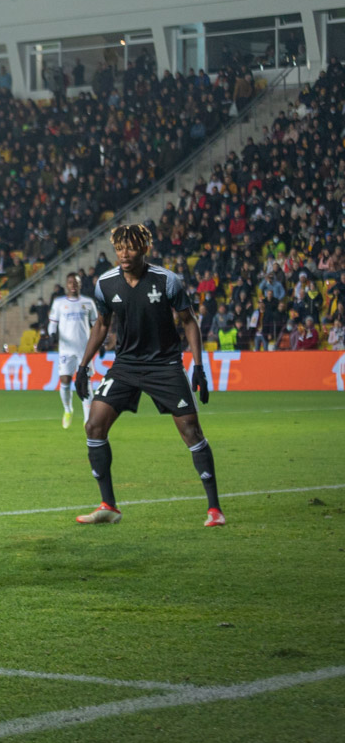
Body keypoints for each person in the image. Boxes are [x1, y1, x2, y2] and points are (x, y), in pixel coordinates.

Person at [74, 224, 224, 528]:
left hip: (165, 365)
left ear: (144, 248)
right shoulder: (105, 284)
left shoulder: (167, 280)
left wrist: (198, 366)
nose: (124, 253)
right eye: (119, 248)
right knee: (94, 425)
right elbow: (102, 325)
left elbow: (189, 321)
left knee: (191, 431)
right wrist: (83, 366)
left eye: (130, 247)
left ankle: (214, 509)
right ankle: (108, 506)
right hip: (126, 365)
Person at [48, 272, 98, 428]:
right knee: (65, 380)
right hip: (66, 350)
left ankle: (88, 419)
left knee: (85, 382)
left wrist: (101, 343)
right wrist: (52, 335)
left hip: (84, 350)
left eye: (76, 282)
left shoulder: (88, 302)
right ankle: (68, 409)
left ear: (80, 284)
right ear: (66, 285)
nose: (73, 285)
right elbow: (53, 324)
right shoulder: (59, 303)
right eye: (70, 282)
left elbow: (96, 325)